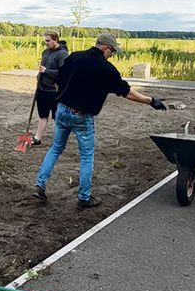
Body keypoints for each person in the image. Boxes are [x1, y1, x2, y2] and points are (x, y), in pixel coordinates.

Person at [32, 33, 167, 209]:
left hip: (62, 110)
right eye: (112, 51)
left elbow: (58, 78)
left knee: (56, 148)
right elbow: (127, 92)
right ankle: (84, 198)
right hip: (81, 116)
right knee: (87, 156)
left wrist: (62, 97)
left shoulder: (75, 57)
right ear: (105, 47)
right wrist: (151, 101)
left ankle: (40, 185)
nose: (112, 55)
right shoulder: (107, 69)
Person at [33, 30, 69, 147]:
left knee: (57, 117)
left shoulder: (63, 54)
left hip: (55, 91)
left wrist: (46, 71)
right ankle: (37, 139)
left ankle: (59, 141)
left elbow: (64, 74)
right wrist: (39, 76)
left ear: (55, 40)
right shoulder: (45, 52)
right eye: (45, 41)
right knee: (42, 115)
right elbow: (42, 69)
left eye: (48, 41)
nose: (46, 43)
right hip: (42, 89)